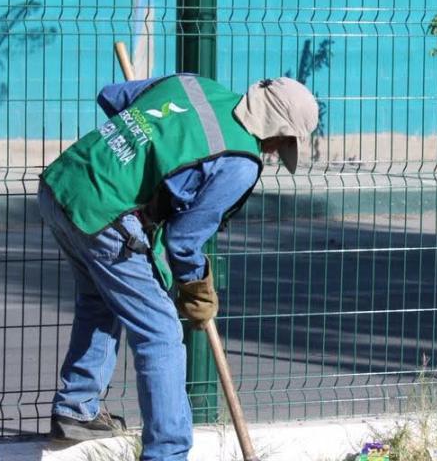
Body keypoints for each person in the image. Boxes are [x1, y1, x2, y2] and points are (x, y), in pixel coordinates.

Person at [37, 74, 319, 461]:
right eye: (282, 143)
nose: (274, 152)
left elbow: (111, 96)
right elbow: (183, 241)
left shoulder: (194, 85)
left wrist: (150, 142)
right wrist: (196, 289)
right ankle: (167, 453)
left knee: (99, 300)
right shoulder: (239, 162)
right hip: (105, 214)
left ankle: (76, 407)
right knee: (162, 334)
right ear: (278, 132)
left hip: (62, 184)